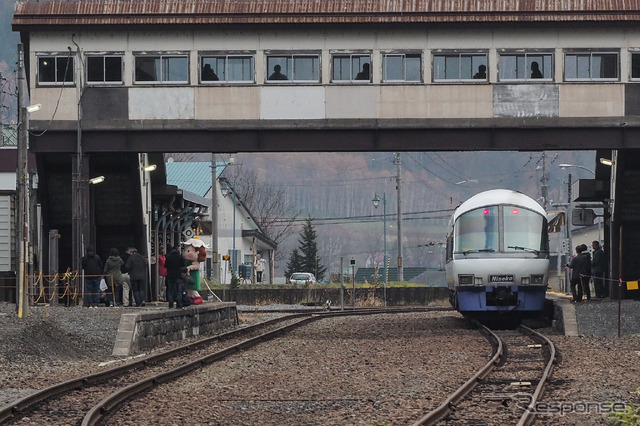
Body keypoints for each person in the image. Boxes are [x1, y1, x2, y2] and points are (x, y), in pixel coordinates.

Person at [164, 245, 187, 309]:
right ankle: (179, 304)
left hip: (170, 276)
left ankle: (170, 305)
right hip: (178, 276)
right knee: (179, 291)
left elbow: (165, 265)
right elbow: (183, 264)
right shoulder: (179, 257)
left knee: (170, 291)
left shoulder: (168, 257)